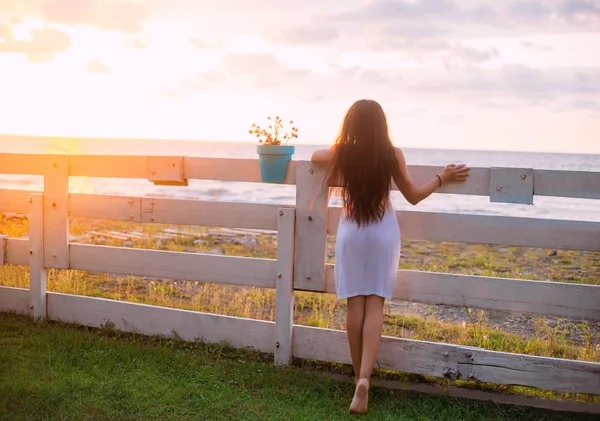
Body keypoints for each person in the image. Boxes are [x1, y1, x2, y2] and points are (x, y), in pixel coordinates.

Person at [311, 99, 470, 414]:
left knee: (355, 305)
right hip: (382, 234)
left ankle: (359, 379)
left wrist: (343, 144)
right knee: (376, 305)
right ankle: (365, 380)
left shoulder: (343, 153)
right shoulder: (392, 154)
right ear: (381, 125)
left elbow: (316, 156)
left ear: (351, 125)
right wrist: (441, 177)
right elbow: (412, 195)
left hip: (352, 235)